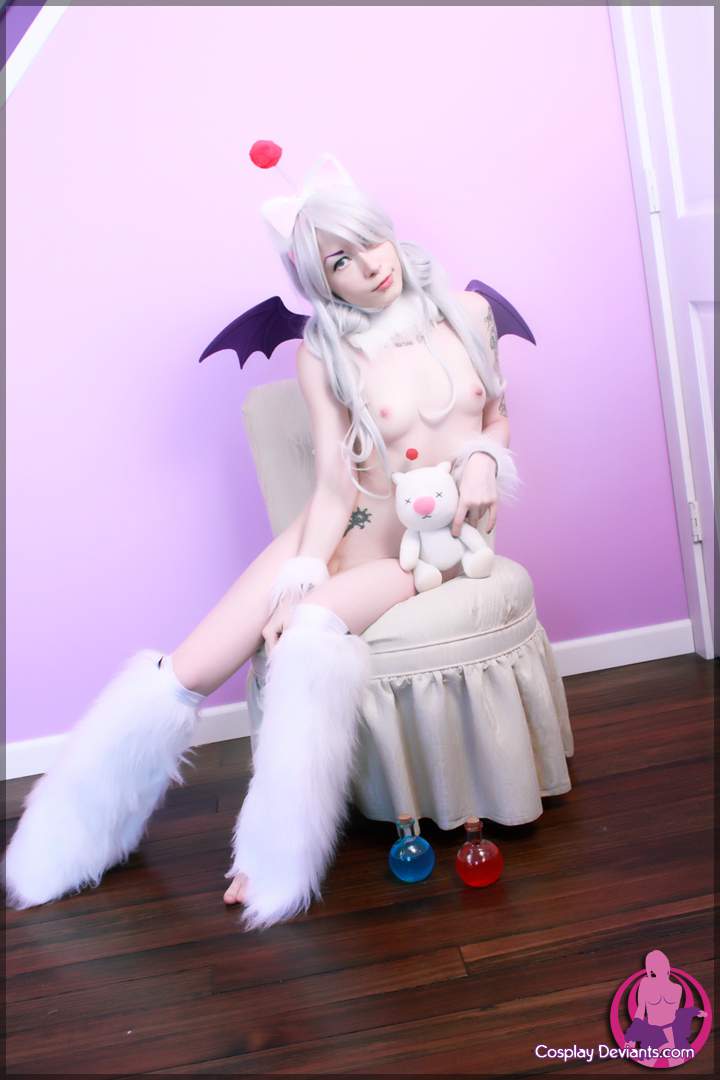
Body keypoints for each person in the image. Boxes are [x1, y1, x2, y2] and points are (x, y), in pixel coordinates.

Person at [3, 152, 517, 931]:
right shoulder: (325, 351)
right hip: (344, 528)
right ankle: (60, 845)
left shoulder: (467, 312)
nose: (366, 265)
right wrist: (305, 568)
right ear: (320, 280)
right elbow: (335, 487)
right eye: (337, 261)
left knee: (303, 637)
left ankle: (274, 855)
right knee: (186, 670)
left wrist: (482, 459)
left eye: (366, 241)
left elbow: (499, 416)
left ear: (385, 231)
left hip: (420, 549)